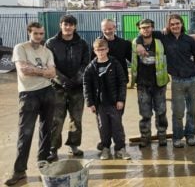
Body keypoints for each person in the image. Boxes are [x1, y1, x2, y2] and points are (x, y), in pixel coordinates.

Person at [136, 14, 195, 148]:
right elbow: (145, 33)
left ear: (182, 24)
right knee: (178, 112)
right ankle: (177, 138)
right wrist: (138, 43)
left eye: (177, 23)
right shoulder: (164, 37)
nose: (175, 26)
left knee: (192, 111)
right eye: (172, 24)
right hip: (177, 81)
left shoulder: (189, 40)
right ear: (169, 26)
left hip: (192, 79)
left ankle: (190, 136)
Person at [5, 22, 56, 186]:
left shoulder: (47, 51)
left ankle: (43, 162)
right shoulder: (20, 48)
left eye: (41, 34)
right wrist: (43, 72)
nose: (39, 37)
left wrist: (34, 69)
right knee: (25, 133)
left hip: (48, 92)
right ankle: (19, 171)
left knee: (46, 130)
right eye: (36, 34)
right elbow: (23, 71)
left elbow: (53, 73)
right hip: (28, 95)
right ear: (29, 33)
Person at [45, 15, 90, 161]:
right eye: (65, 24)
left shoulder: (82, 43)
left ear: (75, 26)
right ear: (60, 25)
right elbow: (49, 65)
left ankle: (73, 145)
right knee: (56, 120)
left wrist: (77, 79)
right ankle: (53, 149)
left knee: (75, 119)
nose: (68, 27)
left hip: (77, 88)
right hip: (57, 88)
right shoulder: (51, 43)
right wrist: (62, 80)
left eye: (71, 25)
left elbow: (85, 64)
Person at [83, 39, 130, 159]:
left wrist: (121, 99)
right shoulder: (91, 67)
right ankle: (105, 148)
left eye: (103, 49)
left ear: (107, 49)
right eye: (98, 50)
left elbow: (122, 81)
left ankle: (120, 149)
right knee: (103, 127)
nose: (101, 52)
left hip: (114, 103)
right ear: (94, 51)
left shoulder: (115, 64)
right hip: (100, 104)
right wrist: (90, 102)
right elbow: (86, 85)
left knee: (117, 126)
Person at [94, 18, 132, 151]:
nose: (108, 31)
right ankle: (105, 142)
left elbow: (133, 60)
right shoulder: (97, 44)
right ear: (102, 29)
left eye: (110, 28)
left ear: (115, 27)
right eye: (105, 28)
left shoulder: (124, 44)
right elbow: (91, 65)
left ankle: (118, 143)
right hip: (101, 87)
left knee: (117, 116)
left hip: (118, 86)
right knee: (103, 118)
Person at [131, 19, 169, 147]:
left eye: (148, 27)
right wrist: (138, 42)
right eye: (143, 28)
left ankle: (162, 137)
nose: (146, 30)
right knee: (145, 114)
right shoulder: (135, 43)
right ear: (139, 29)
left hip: (159, 83)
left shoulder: (160, 41)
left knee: (161, 112)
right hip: (142, 84)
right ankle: (145, 138)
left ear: (152, 28)